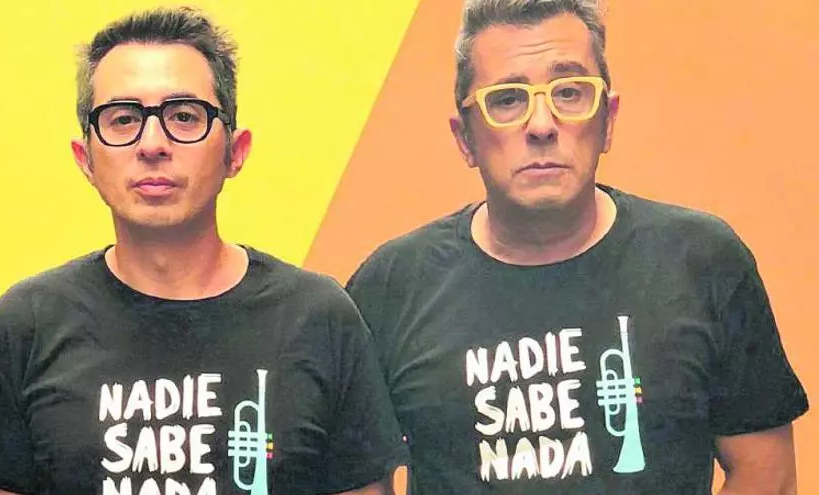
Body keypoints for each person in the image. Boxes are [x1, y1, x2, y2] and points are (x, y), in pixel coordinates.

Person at [345, 0, 809, 493]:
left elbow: (769, 476)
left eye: (569, 93)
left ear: (608, 120)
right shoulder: (389, 287)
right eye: (507, 99)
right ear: (465, 139)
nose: (541, 125)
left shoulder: (705, 262)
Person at [0, 7, 407, 495]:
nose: (152, 144)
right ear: (85, 158)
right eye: (123, 119)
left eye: (184, 117)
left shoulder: (319, 319)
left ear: (236, 151)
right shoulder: (26, 326)